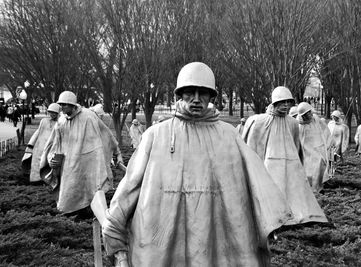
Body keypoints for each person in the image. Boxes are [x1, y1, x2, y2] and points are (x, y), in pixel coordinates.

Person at [102, 62, 291, 266]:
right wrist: (115, 235)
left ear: (212, 97)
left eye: (203, 93)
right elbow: (130, 187)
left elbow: (256, 185)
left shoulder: (228, 136)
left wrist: (268, 221)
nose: (196, 99)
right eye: (189, 93)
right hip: (161, 241)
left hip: (215, 240)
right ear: (179, 95)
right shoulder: (156, 136)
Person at [242, 86, 328, 226]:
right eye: (282, 102)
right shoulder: (260, 121)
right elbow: (253, 145)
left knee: (294, 193)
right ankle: (273, 218)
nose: (286, 105)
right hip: (271, 162)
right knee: (273, 192)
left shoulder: (293, 123)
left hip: (291, 162)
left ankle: (294, 216)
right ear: (274, 102)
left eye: (288, 102)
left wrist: (297, 164)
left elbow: (296, 145)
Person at [40, 91, 123, 217]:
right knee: (68, 193)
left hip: (86, 160)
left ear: (73, 105)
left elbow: (105, 133)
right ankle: (70, 216)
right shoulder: (61, 120)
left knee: (89, 188)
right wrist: (51, 158)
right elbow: (55, 143)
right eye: (60, 105)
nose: (61, 108)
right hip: (67, 163)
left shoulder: (88, 116)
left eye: (64, 105)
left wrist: (116, 151)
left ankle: (87, 212)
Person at [296, 102, 331, 193]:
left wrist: (326, 143)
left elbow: (324, 129)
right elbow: (299, 139)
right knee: (309, 170)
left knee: (320, 166)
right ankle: (310, 189)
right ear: (303, 115)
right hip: (307, 150)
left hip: (318, 147)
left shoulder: (315, 119)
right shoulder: (299, 125)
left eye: (310, 112)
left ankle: (319, 187)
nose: (310, 114)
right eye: (307, 113)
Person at [22, 103, 61, 183]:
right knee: (36, 163)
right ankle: (35, 180)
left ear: (58, 113)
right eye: (50, 112)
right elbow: (38, 132)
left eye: (54, 112)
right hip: (39, 146)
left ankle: (47, 181)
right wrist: (31, 144)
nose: (52, 114)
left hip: (51, 147)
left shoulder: (60, 123)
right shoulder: (44, 121)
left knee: (49, 163)